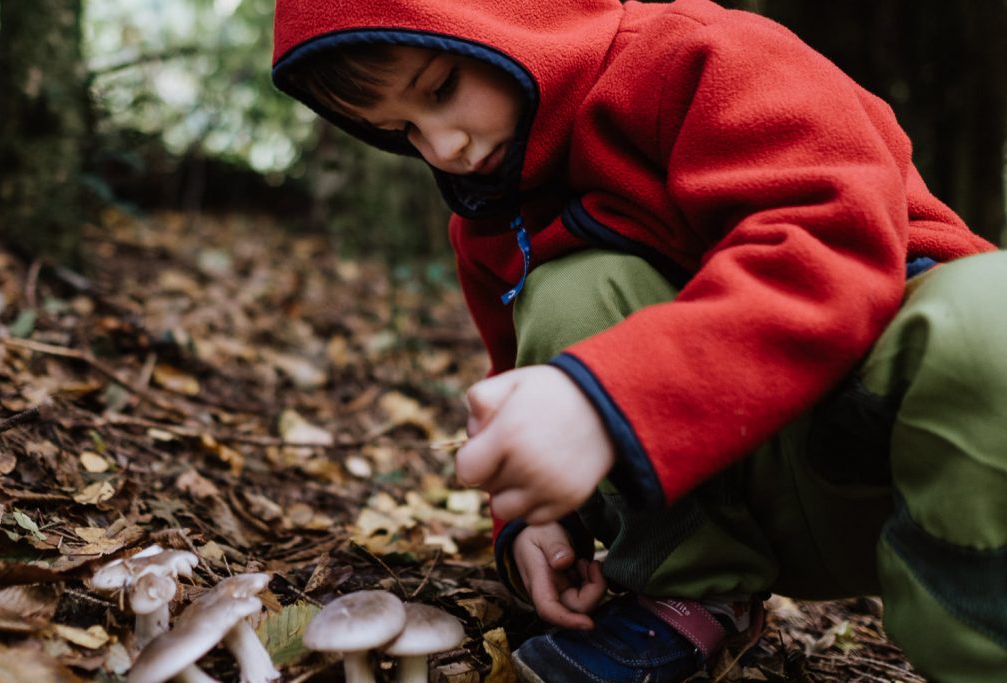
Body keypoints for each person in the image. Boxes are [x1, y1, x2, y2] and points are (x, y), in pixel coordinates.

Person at [271, 1, 1006, 681]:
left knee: (987, 308)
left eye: (439, 90)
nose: (446, 147)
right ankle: (692, 596)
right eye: (401, 130)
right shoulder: (489, 219)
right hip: (756, 492)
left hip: (924, 462)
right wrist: (533, 517)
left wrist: (609, 396)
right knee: (570, 289)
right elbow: (514, 379)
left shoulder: (704, 56)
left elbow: (826, 240)